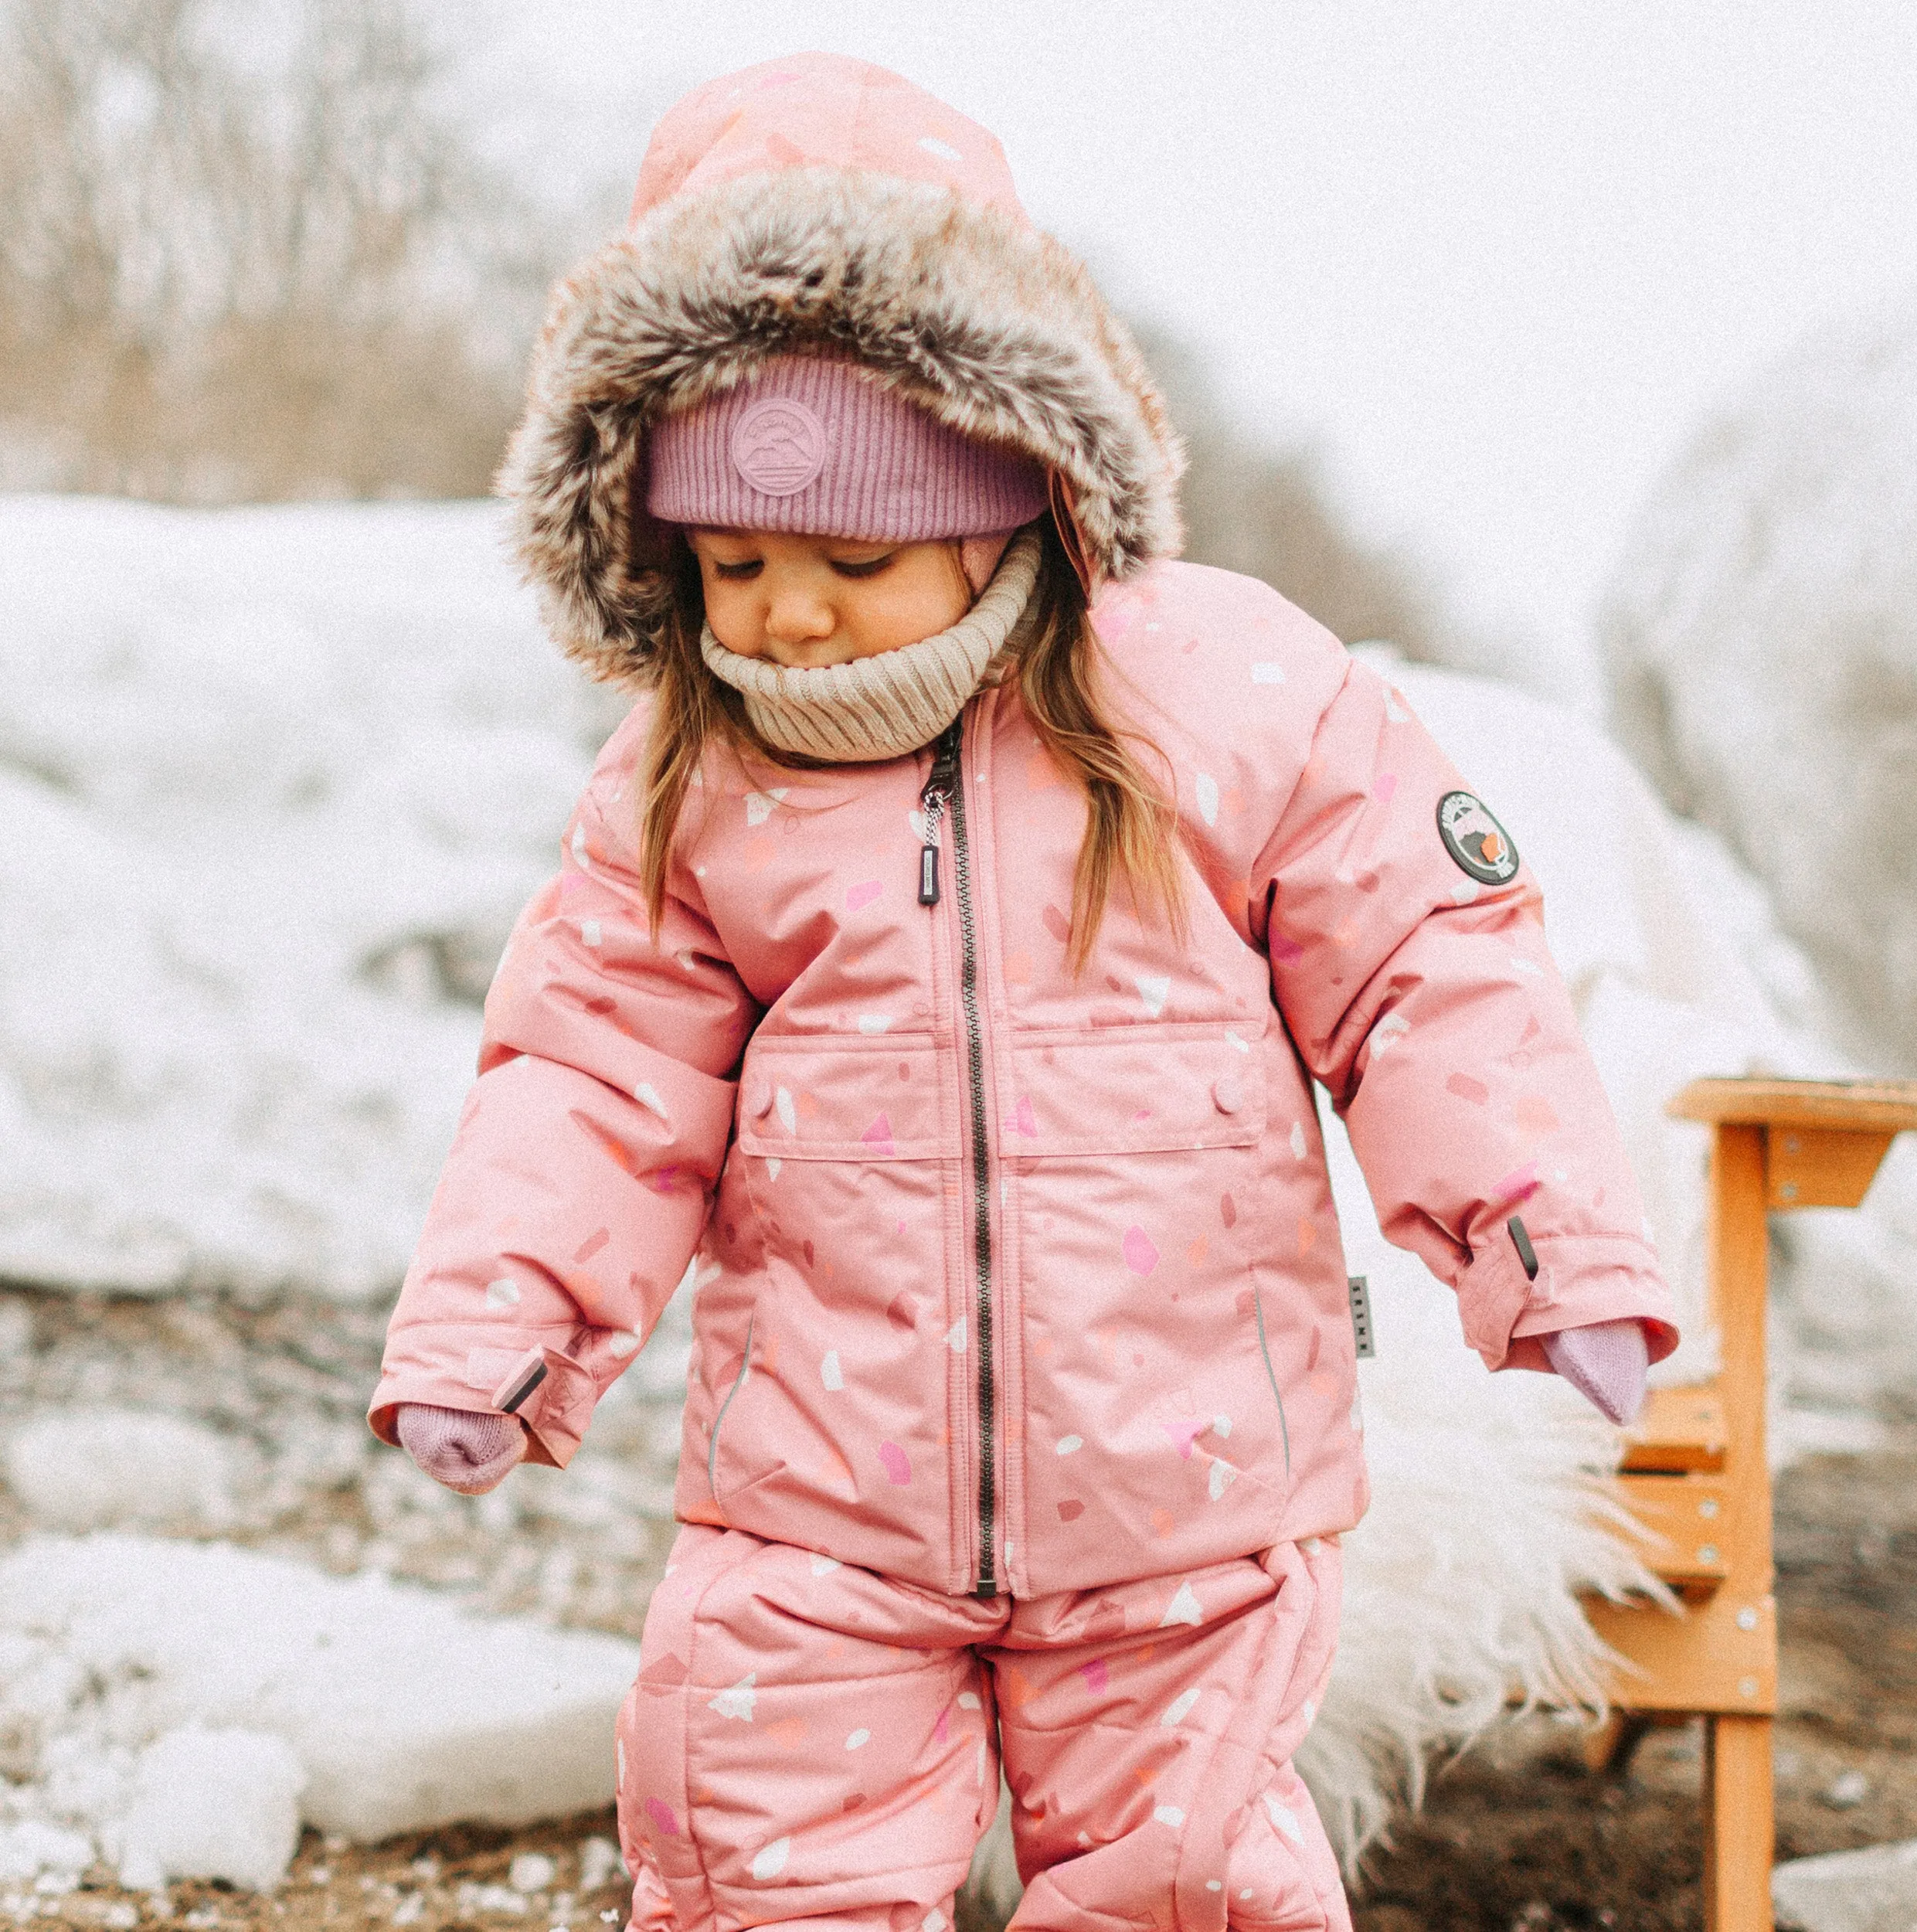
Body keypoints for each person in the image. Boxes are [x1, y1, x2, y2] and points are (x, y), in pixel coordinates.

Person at [369, 53, 1677, 1932]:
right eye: (731, 563)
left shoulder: (1228, 699)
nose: (787, 616)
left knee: (1185, 1889)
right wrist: (495, 1325)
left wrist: (1545, 1241)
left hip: (1188, 1496)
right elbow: (587, 1074)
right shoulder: (692, 779)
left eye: (852, 559)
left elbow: (1427, 969)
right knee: (761, 1872)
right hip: (815, 1509)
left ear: (1009, 499)